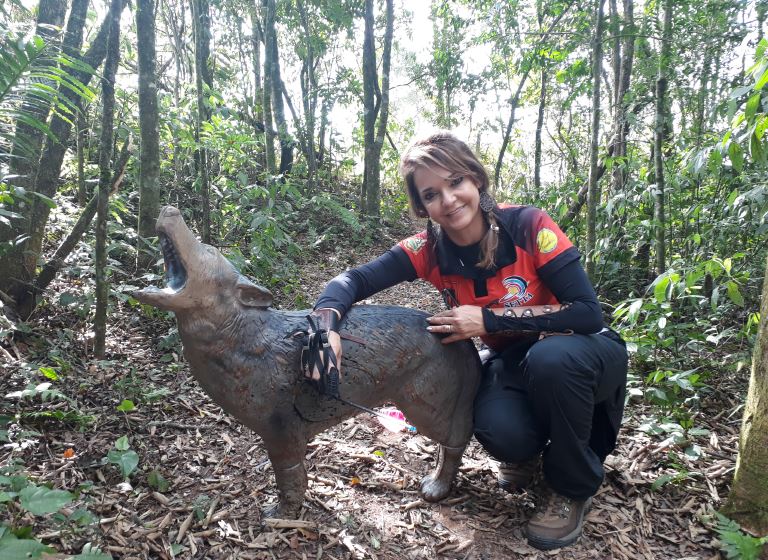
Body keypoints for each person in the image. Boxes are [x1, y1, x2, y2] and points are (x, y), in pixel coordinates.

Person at [308, 131, 628, 551]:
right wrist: (324, 327)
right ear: (421, 206)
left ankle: (570, 487)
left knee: (552, 360)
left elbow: (587, 312)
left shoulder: (529, 226)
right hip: (516, 359)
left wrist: (487, 319)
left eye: (455, 181)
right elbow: (352, 280)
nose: (448, 199)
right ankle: (528, 454)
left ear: (476, 179)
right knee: (498, 429)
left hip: (582, 351)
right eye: (431, 194)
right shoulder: (428, 249)